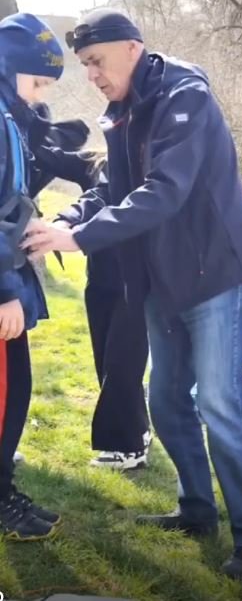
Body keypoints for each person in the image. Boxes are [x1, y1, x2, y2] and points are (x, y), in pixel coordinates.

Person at [22, 8, 242, 578]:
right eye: (85, 66)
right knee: (165, 400)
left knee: (219, 403)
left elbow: (164, 191)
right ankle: (197, 510)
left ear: (131, 48)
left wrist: (80, 238)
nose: (91, 75)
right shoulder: (123, 111)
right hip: (160, 281)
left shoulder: (187, 99)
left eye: (96, 62)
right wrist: (67, 219)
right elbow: (113, 187)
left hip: (214, 274)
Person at [28, 123, 152, 470]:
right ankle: (138, 431)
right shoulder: (95, 163)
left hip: (139, 281)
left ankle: (126, 446)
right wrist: (33, 124)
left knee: (122, 362)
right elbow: (49, 158)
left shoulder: (152, 172)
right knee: (107, 361)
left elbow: (103, 200)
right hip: (100, 279)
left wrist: (66, 222)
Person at [0, 12, 64, 540]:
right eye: (38, 81)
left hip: (10, 270)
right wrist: (4, 292)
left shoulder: (11, 116)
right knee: (6, 393)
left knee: (15, 388)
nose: (41, 94)